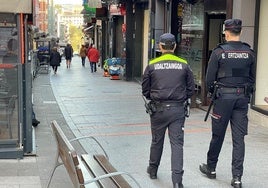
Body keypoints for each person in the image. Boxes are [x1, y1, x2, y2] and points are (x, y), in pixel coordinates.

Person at [199, 19, 256, 188]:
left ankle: (211, 168)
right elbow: (252, 78)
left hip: (223, 99)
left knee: (218, 135)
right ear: (239, 31)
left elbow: (209, 78)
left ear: (226, 32)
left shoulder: (219, 52)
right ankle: (237, 177)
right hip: (242, 99)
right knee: (239, 139)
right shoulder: (249, 52)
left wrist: (213, 93)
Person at [142, 33, 195, 188]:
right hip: (178, 110)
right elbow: (191, 89)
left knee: (157, 140)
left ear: (160, 46)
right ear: (175, 46)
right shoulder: (184, 64)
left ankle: (153, 170)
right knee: (177, 144)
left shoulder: (152, 64)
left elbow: (145, 90)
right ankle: (177, 181)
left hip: (157, 109)